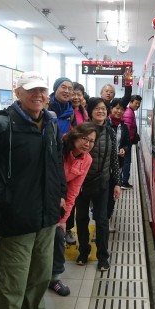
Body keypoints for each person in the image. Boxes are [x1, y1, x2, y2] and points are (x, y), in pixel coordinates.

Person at [0, 71, 67, 309]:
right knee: (9, 284)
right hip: (16, 219)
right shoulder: (2, 125)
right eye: (31, 90)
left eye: (42, 90)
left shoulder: (49, 124)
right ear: (18, 93)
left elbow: (56, 162)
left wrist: (60, 193)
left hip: (47, 216)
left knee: (40, 276)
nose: (38, 95)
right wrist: (5, 199)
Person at [48, 122, 97, 297]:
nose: (88, 144)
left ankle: (54, 278)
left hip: (60, 201)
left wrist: (63, 220)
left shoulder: (87, 159)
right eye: (85, 138)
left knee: (58, 236)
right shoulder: (59, 148)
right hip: (43, 196)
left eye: (92, 141)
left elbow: (74, 191)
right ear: (75, 135)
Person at [75, 98, 121, 271]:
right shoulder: (83, 130)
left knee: (101, 220)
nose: (101, 111)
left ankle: (103, 256)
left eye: (103, 108)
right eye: (97, 109)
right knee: (81, 218)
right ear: (90, 110)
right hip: (82, 182)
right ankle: (83, 251)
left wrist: (117, 182)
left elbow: (114, 159)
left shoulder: (110, 132)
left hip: (103, 182)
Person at [64, 82, 89, 246]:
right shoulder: (66, 111)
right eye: (73, 93)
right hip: (66, 155)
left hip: (79, 158)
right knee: (63, 194)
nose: (76, 97)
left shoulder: (82, 112)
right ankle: (62, 227)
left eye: (79, 94)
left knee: (72, 196)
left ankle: (66, 228)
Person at [107, 98, 130, 227]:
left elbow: (127, 143)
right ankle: (101, 214)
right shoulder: (105, 124)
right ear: (111, 109)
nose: (119, 111)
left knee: (113, 191)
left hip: (118, 164)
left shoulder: (124, 127)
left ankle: (107, 217)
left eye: (121, 109)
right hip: (104, 164)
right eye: (116, 108)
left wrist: (124, 149)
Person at [121, 95, 142, 189]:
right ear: (130, 102)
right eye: (136, 103)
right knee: (126, 162)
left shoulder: (130, 112)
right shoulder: (129, 113)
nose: (137, 105)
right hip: (127, 143)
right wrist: (128, 142)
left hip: (128, 142)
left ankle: (123, 180)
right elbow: (127, 130)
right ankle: (124, 182)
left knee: (126, 161)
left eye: (139, 104)